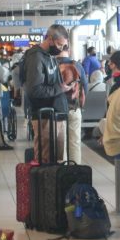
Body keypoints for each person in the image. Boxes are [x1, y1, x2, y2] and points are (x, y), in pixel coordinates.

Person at [23, 25, 75, 163]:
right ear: (50, 39)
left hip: (57, 113)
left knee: (58, 159)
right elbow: (34, 89)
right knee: (45, 160)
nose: (60, 49)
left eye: (63, 46)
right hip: (44, 116)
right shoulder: (36, 57)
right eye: (59, 44)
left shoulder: (50, 56)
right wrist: (60, 88)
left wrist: (64, 87)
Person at [58, 44, 88, 164]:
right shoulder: (77, 66)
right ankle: (75, 172)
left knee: (61, 143)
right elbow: (85, 87)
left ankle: (63, 173)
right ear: (68, 50)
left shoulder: (51, 65)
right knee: (75, 142)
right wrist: (80, 105)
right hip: (74, 108)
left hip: (57, 110)